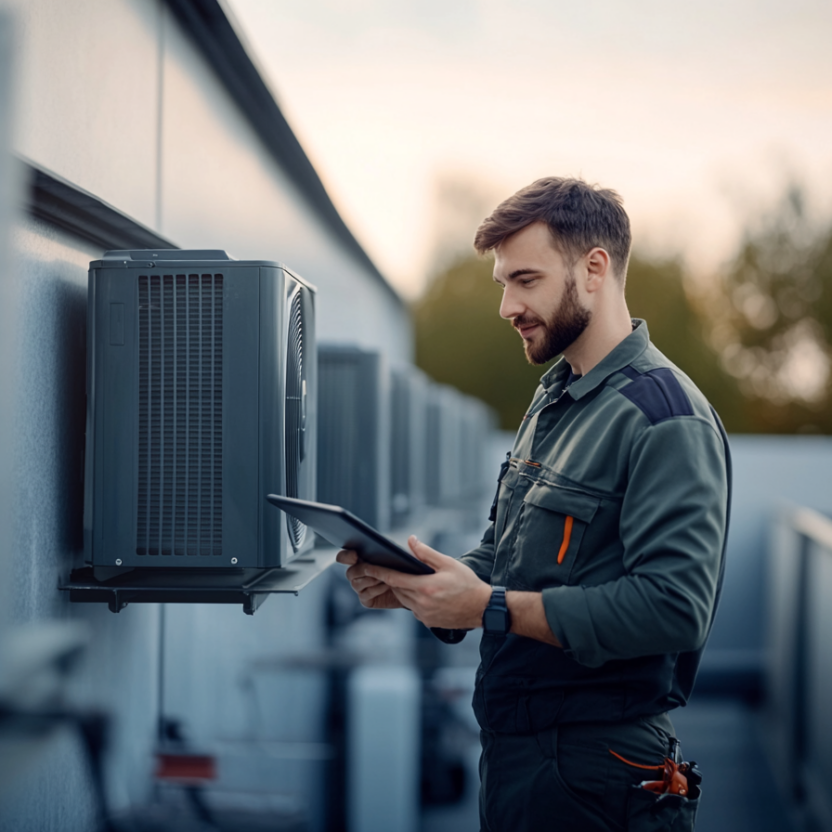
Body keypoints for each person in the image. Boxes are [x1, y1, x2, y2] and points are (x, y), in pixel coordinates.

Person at [336, 177, 730, 832]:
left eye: (525, 279)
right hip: (523, 755)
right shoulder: (556, 397)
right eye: (502, 284)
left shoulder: (664, 417)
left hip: (599, 769)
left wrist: (486, 606)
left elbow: (673, 607)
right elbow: (507, 552)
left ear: (594, 268)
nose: (507, 306)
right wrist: (425, 588)